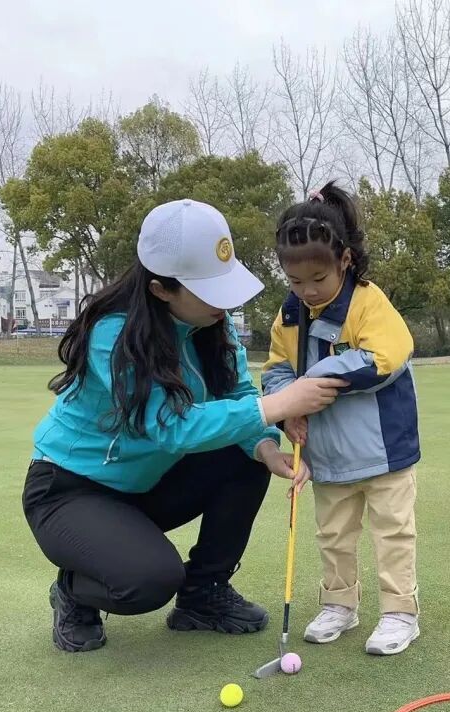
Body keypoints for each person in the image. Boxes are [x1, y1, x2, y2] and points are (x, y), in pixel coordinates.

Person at [22, 199, 347, 653]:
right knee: (149, 581)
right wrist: (278, 405)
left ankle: (203, 596)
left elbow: (238, 393)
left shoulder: (213, 323)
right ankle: (73, 592)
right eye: (210, 290)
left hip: (146, 485)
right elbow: (170, 427)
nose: (225, 302)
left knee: (245, 455)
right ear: (160, 289)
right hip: (71, 491)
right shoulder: (112, 334)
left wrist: (266, 448)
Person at [263, 182, 422, 656]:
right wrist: (287, 411)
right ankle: (339, 604)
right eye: (296, 281)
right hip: (328, 453)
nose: (307, 291)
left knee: (393, 533)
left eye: (318, 278)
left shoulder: (369, 302)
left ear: (344, 261)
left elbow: (384, 358)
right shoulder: (289, 315)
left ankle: (400, 612)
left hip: (384, 448)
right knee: (333, 535)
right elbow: (275, 370)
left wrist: (312, 380)